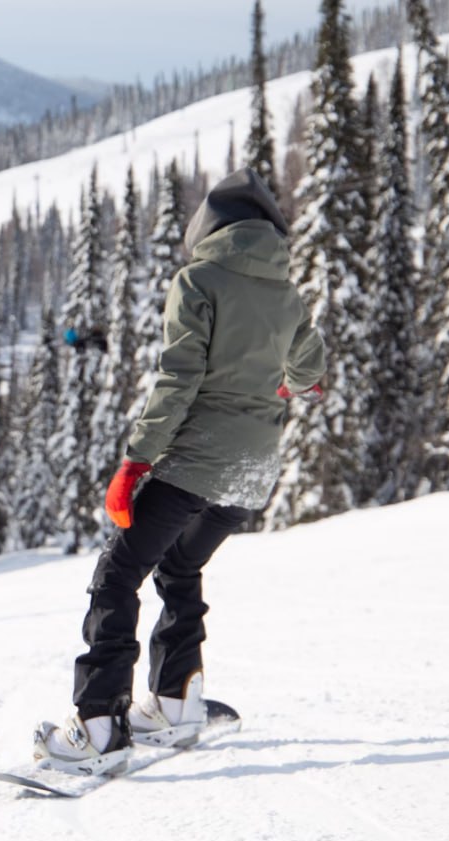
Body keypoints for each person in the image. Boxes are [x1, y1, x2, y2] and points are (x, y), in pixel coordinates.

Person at [35, 168, 326, 775]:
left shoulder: (199, 280)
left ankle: (96, 725)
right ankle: (174, 701)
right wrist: (281, 384)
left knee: (117, 575)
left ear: (211, 227)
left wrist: (135, 460)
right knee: (180, 563)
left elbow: (179, 377)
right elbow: (310, 373)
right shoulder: (287, 291)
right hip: (253, 470)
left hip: (197, 461)